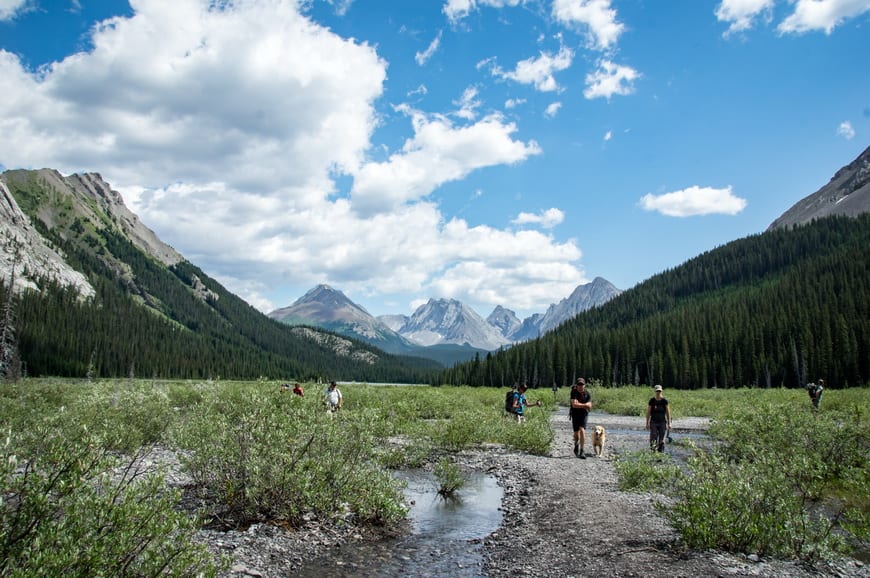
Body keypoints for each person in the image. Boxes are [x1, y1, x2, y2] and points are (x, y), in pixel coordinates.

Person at [569, 377, 592, 459]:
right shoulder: (574, 392)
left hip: (584, 414)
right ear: (576, 385)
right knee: (576, 433)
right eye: (579, 384)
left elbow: (590, 407)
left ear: (584, 385)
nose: (580, 386)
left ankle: (582, 450)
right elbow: (574, 405)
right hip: (575, 414)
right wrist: (585, 405)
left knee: (582, 430)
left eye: (582, 384)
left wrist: (580, 405)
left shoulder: (587, 394)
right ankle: (576, 444)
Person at [646, 384, 671, 452]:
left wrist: (669, 423)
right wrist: (647, 423)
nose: (658, 392)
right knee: (653, 437)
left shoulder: (664, 401)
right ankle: (653, 451)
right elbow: (648, 412)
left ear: (661, 391)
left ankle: (660, 453)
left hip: (662, 422)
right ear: (655, 391)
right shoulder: (652, 401)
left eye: (659, 391)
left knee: (661, 439)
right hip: (653, 422)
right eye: (657, 391)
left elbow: (668, 413)